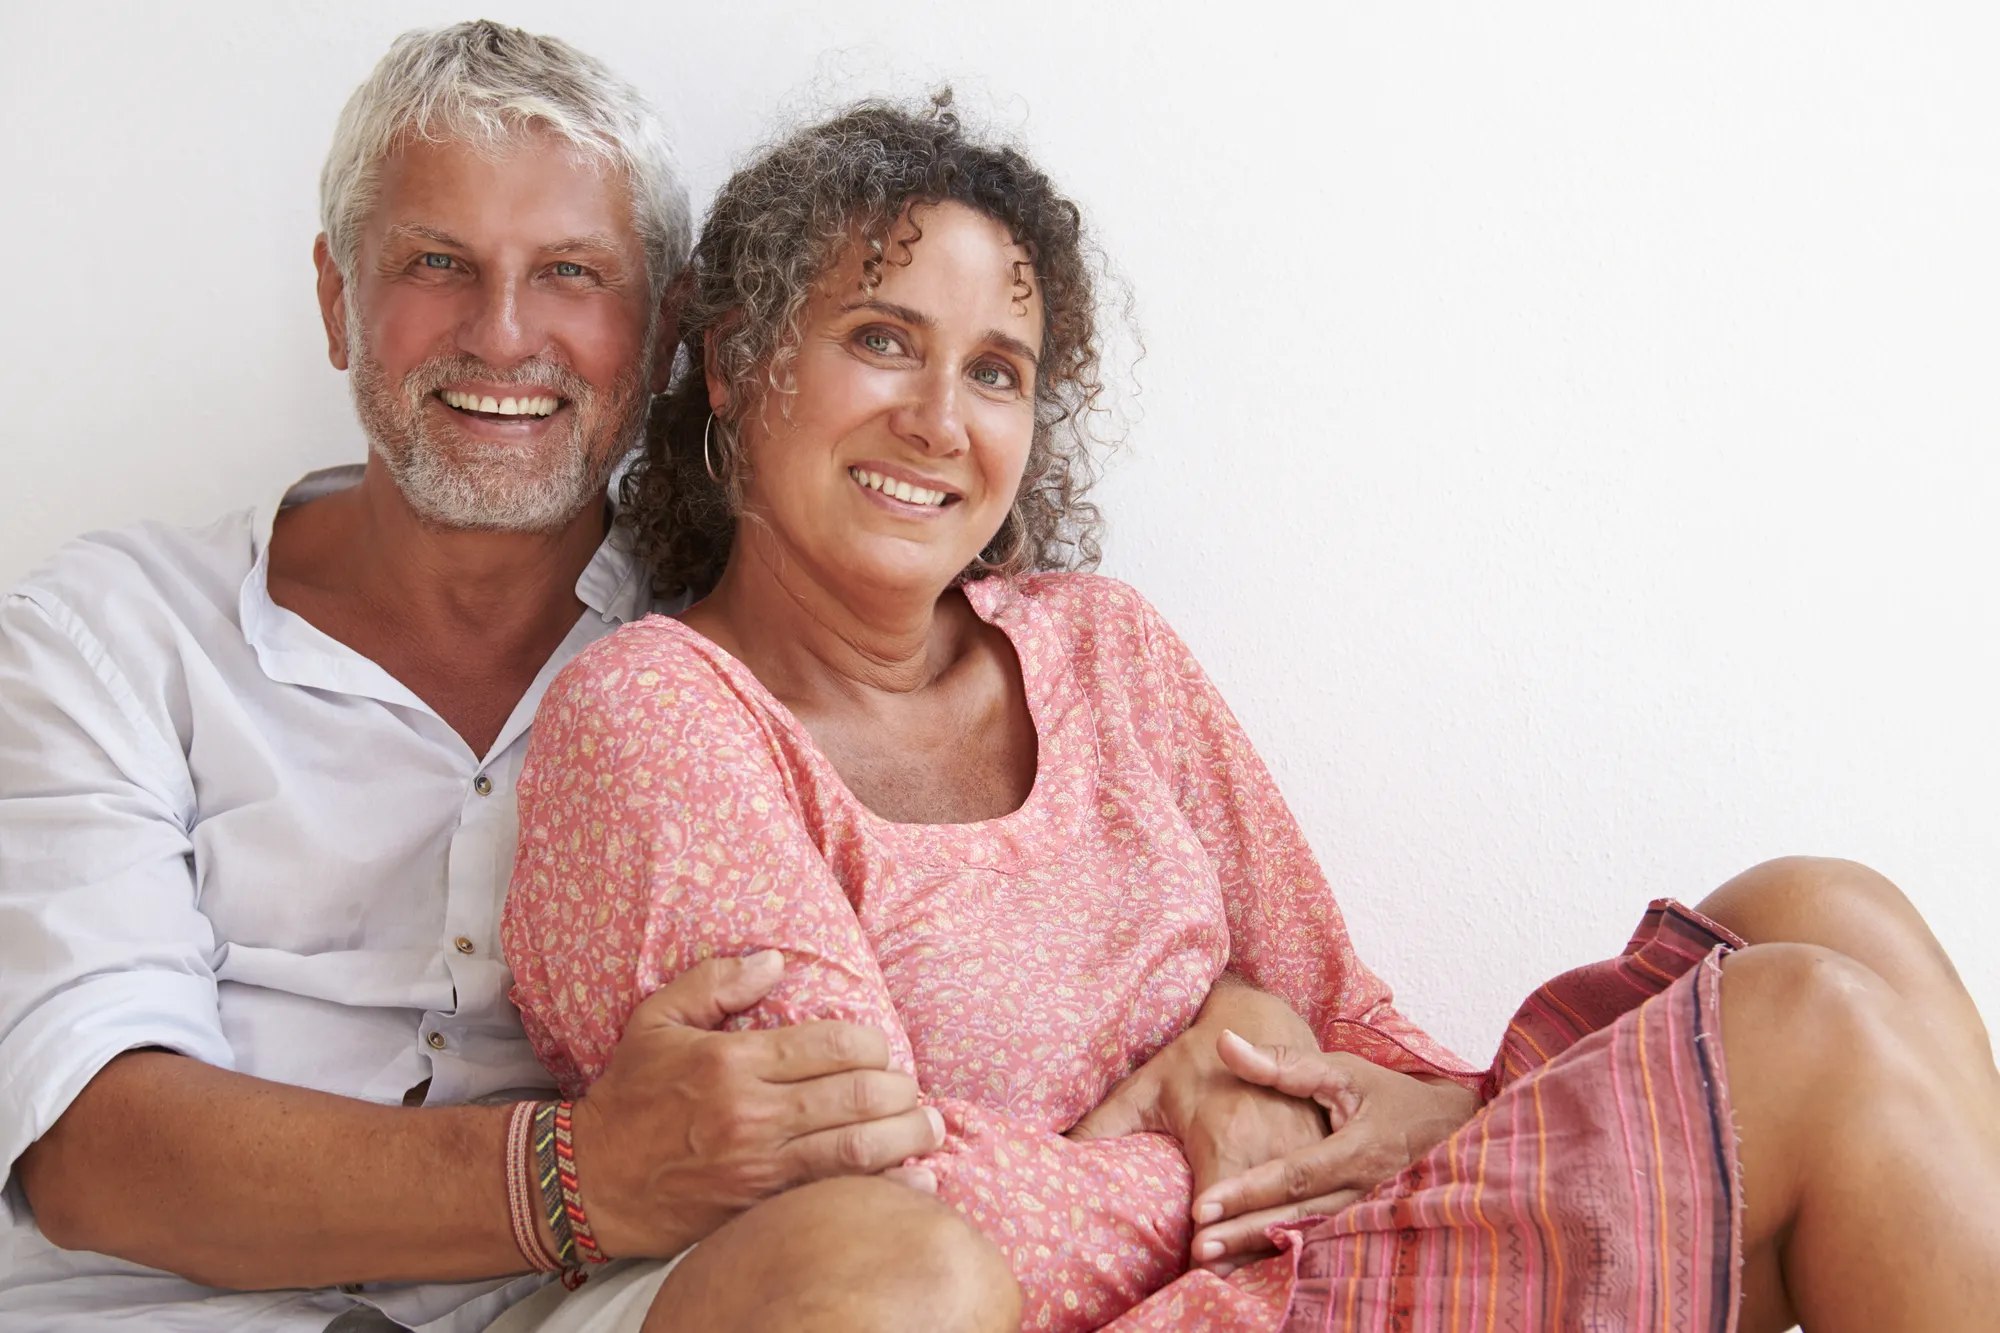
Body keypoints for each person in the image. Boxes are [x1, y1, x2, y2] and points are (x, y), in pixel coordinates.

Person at [500, 96, 2000, 1332]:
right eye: (881, 339)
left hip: (1328, 1246)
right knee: (1800, 1033)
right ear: (742, 368)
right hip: (1155, 1306)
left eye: (997, 372)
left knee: (1827, 913)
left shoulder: (1100, 647)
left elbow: (1361, 1031)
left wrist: (1314, 1069)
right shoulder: (661, 720)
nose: (939, 421)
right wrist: (1201, 1133)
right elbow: (863, 1226)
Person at [0, 23, 1019, 1333]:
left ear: (659, 334)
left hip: (580, 1311)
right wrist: (579, 1175)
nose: (502, 334)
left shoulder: (751, 659)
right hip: (151, 1308)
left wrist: (1229, 1049)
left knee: (907, 1277)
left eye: (574, 275)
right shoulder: (111, 637)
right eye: (437, 264)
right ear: (336, 299)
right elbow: (90, 1149)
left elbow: (1029, 906)